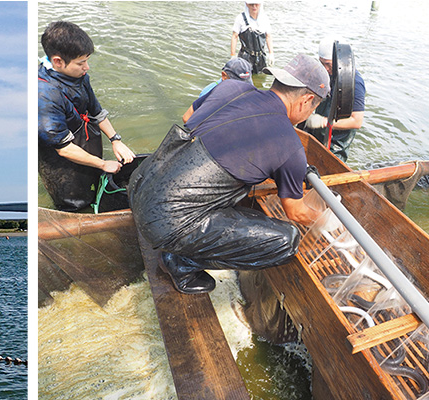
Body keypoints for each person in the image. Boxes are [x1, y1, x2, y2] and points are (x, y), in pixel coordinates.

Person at [128, 54, 329, 294]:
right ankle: (182, 262)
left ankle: (180, 246)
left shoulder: (231, 87)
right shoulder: (288, 144)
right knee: (286, 241)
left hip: (139, 186)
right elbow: (296, 211)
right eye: (312, 108)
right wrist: (328, 222)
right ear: (305, 101)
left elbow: (190, 118)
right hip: (165, 225)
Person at [38, 21, 135, 212]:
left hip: (84, 138)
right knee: (73, 200)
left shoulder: (79, 76)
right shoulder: (44, 95)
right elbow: (63, 148)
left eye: (87, 60)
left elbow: (96, 111)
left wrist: (115, 140)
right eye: (81, 62)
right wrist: (102, 163)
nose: (87, 67)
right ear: (58, 61)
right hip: (60, 159)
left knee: (94, 181)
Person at [303, 37, 366, 162]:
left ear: (339, 62)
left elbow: (356, 121)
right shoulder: (326, 74)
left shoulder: (355, 82)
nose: (325, 68)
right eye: (322, 63)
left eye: (328, 64)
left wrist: (324, 122)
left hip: (337, 141)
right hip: (318, 132)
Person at [182, 57, 253, 123]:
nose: (242, 88)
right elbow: (187, 118)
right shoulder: (210, 92)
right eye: (237, 84)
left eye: (246, 85)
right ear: (224, 76)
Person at [230, 1, 274, 74]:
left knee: (260, 78)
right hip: (245, 56)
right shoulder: (240, 18)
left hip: (260, 58)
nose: (254, 7)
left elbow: (268, 36)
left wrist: (271, 53)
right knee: (244, 79)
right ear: (247, 4)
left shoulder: (265, 19)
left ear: (260, 4)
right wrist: (233, 55)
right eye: (251, 4)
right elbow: (234, 36)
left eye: (256, 4)